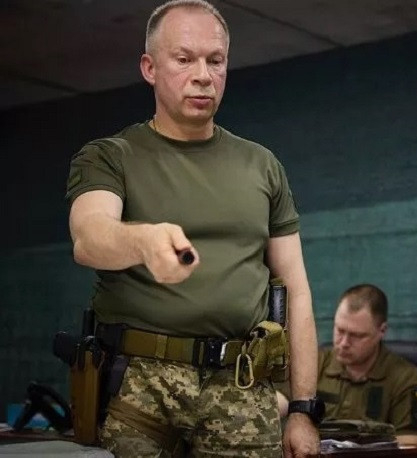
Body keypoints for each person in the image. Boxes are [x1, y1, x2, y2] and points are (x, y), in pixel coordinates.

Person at [65, 1, 319, 456]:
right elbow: (89, 236)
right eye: (184, 59)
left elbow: (296, 288)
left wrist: (302, 409)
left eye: (215, 61)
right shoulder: (110, 155)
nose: (203, 75)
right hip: (140, 389)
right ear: (150, 67)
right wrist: (143, 240)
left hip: (242, 385)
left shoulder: (262, 165)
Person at [279, 284, 417, 445]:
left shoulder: (406, 379)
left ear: (382, 331)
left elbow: (414, 441)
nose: (344, 343)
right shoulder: (316, 362)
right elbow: (281, 400)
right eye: (340, 330)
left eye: (357, 336)